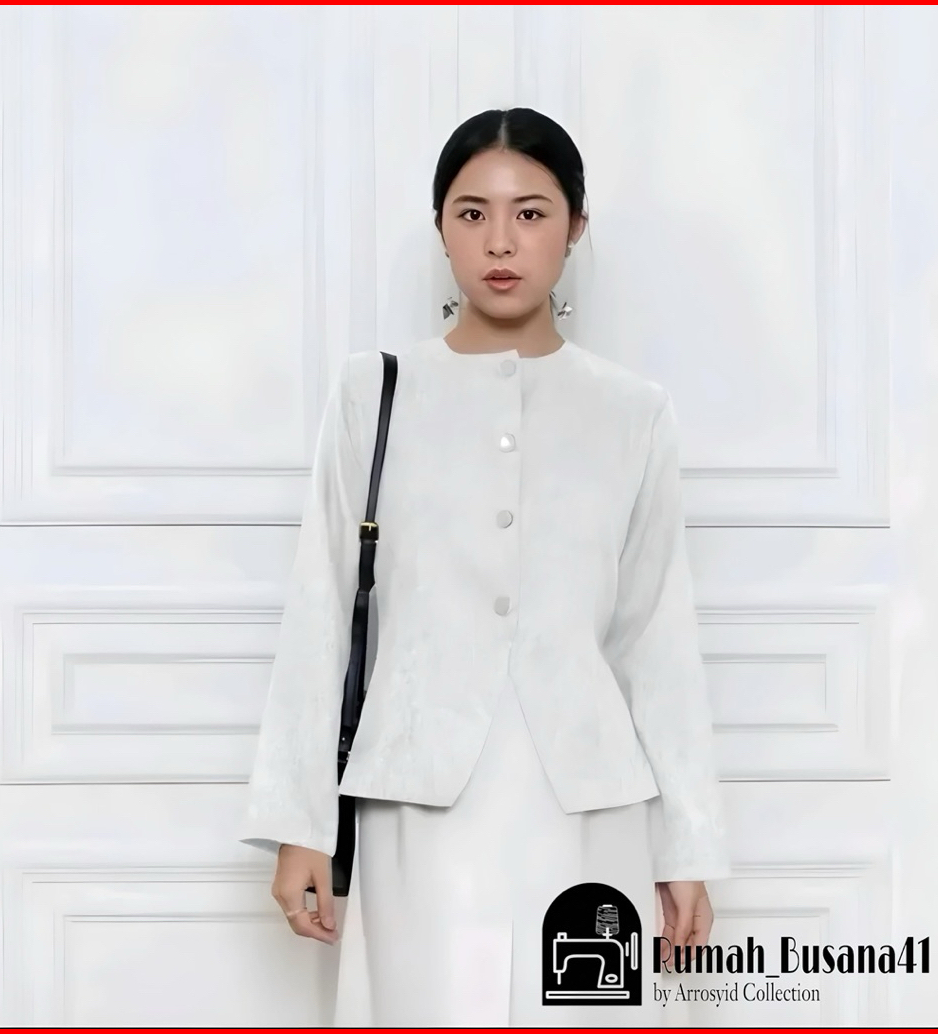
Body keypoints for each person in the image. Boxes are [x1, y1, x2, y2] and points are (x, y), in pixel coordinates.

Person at [240, 107, 730, 1027]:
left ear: (576, 226)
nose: (500, 241)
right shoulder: (372, 393)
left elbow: (655, 636)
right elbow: (321, 609)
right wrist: (300, 825)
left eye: (531, 213)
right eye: (472, 213)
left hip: (589, 810)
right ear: (441, 228)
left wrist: (687, 845)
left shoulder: (633, 412)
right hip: (417, 804)